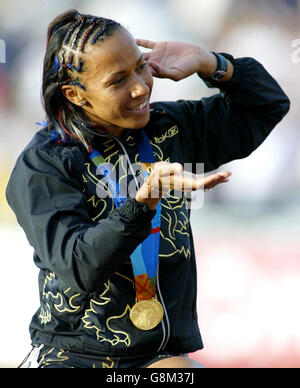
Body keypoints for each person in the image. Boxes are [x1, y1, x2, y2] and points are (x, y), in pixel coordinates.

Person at [6, 9, 290, 369]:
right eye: (118, 80)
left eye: (141, 67)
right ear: (75, 94)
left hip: (158, 357)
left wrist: (212, 64)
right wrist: (142, 201)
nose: (140, 86)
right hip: (75, 358)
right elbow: (80, 268)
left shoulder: (168, 127)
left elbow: (266, 106)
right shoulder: (44, 163)